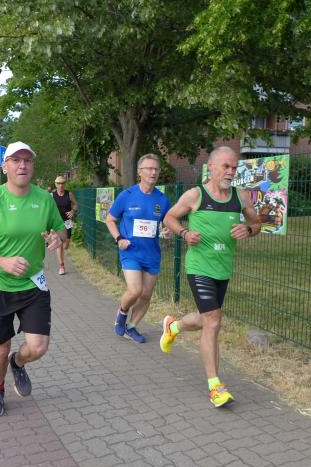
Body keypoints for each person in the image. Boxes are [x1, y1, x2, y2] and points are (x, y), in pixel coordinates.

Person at [0, 141, 67, 417]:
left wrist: (58, 238)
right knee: (0, 349)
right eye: (16, 160)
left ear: (33, 166)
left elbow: (61, 230)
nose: (22, 165)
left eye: (27, 161)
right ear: (5, 166)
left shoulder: (44, 199)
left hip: (33, 284)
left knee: (38, 347)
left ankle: (18, 363)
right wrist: (3, 262)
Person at [159, 146, 261, 407]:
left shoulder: (240, 196)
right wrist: (184, 233)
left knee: (205, 319)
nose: (231, 171)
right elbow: (169, 218)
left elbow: (257, 223)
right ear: (211, 167)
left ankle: (174, 327)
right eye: (226, 166)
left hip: (223, 268)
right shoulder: (196, 195)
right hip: (199, 267)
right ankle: (215, 386)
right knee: (214, 321)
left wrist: (248, 230)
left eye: (234, 167)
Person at [105, 154, 172, 343]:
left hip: (152, 254)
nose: (153, 172)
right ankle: (122, 314)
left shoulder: (162, 200)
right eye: (149, 169)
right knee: (135, 290)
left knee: (146, 295)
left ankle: (132, 326)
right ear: (140, 172)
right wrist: (119, 238)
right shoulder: (127, 196)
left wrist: (167, 231)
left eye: (156, 169)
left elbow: (167, 224)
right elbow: (110, 219)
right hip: (131, 251)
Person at [52, 175, 79, 275]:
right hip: (57, 222)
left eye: (62, 183)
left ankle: (64, 248)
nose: (61, 185)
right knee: (59, 244)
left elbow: (75, 204)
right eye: (59, 183)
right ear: (56, 184)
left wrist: (72, 211)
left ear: (65, 184)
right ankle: (61, 265)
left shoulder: (69, 194)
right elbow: (48, 207)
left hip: (68, 221)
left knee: (66, 245)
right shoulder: (52, 195)